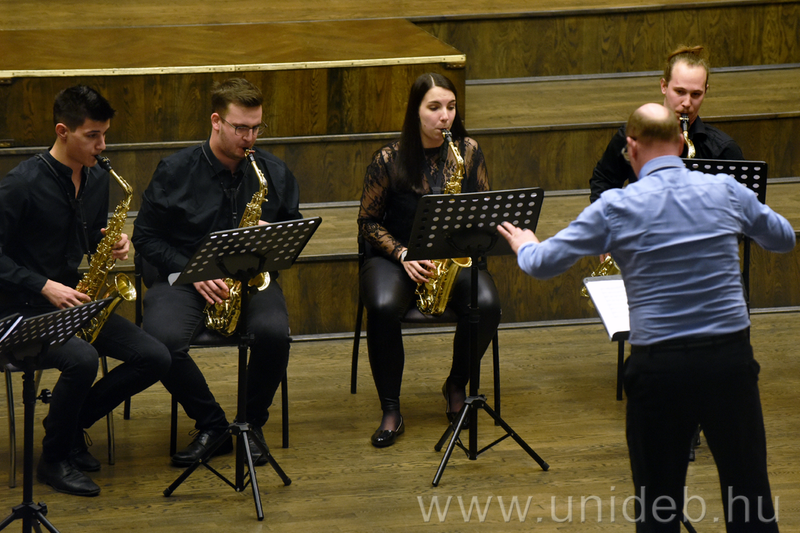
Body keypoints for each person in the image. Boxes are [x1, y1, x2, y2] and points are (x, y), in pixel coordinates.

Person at [499, 103, 792, 532]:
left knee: (658, 505)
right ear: (681, 143)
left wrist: (524, 243)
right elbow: (783, 240)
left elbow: (541, 265)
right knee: (749, 497)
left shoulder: (615, 207)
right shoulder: (727, 190)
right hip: (729, 363)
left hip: (659, 368)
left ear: (631, 148)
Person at [0, 85, 171, 496]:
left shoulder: (95, 179)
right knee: (82, 358)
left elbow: (88, 234)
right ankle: (54, 458)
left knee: (155, 357)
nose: (102, 145)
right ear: (63, 131)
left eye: (105, 134)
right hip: (17, 307)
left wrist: (110, 242)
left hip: (69, 300)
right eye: (92, 136)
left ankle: (69, 423)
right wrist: (43, 285)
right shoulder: (21, 184)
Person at [132, 78, 301, 467]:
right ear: (216, 121)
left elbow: (293, 231)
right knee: (161, 341)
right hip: (186, 276)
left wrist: (272, 236)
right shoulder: (175, 170)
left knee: (275, 335)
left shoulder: (272, 171)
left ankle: (251, 424)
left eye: (256, 128)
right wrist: (191, 270)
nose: (250, 138)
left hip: (249, 277)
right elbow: (146, 237)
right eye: (241, 128)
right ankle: (213, 425)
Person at [357, 72, 502, 448]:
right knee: (383, 306)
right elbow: (368, 222)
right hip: (396, 256)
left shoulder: (468, 151)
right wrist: (402, 253)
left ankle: (456, 384)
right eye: (435, 107)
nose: (445, 116)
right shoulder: (388, 158)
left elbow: (484, 211)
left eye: (451, 107)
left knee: (487, 304)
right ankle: (391, 408)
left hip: (451, 257)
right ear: (415, 111)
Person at [589, 45, 744, 203]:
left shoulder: (723, 149)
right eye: (680, 92)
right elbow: (603, 182)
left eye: (696, 94)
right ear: (664, 86)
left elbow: (739, 204)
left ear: (705, 91)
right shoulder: (632, 135)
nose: (687, 103)